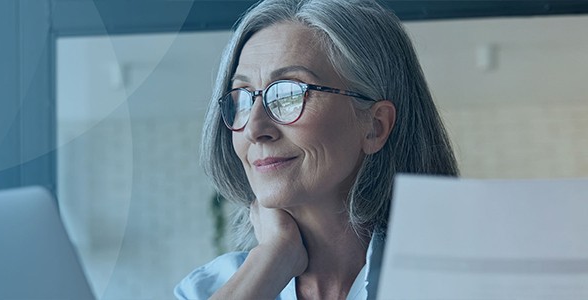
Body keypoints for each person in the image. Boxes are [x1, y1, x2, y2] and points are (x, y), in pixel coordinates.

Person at [175, 0, 458, 299]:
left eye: (289, 94)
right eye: (243, 98)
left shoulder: (457, 281)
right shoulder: (202, 290)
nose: (254, 129)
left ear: (375, 126)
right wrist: (273, 257)